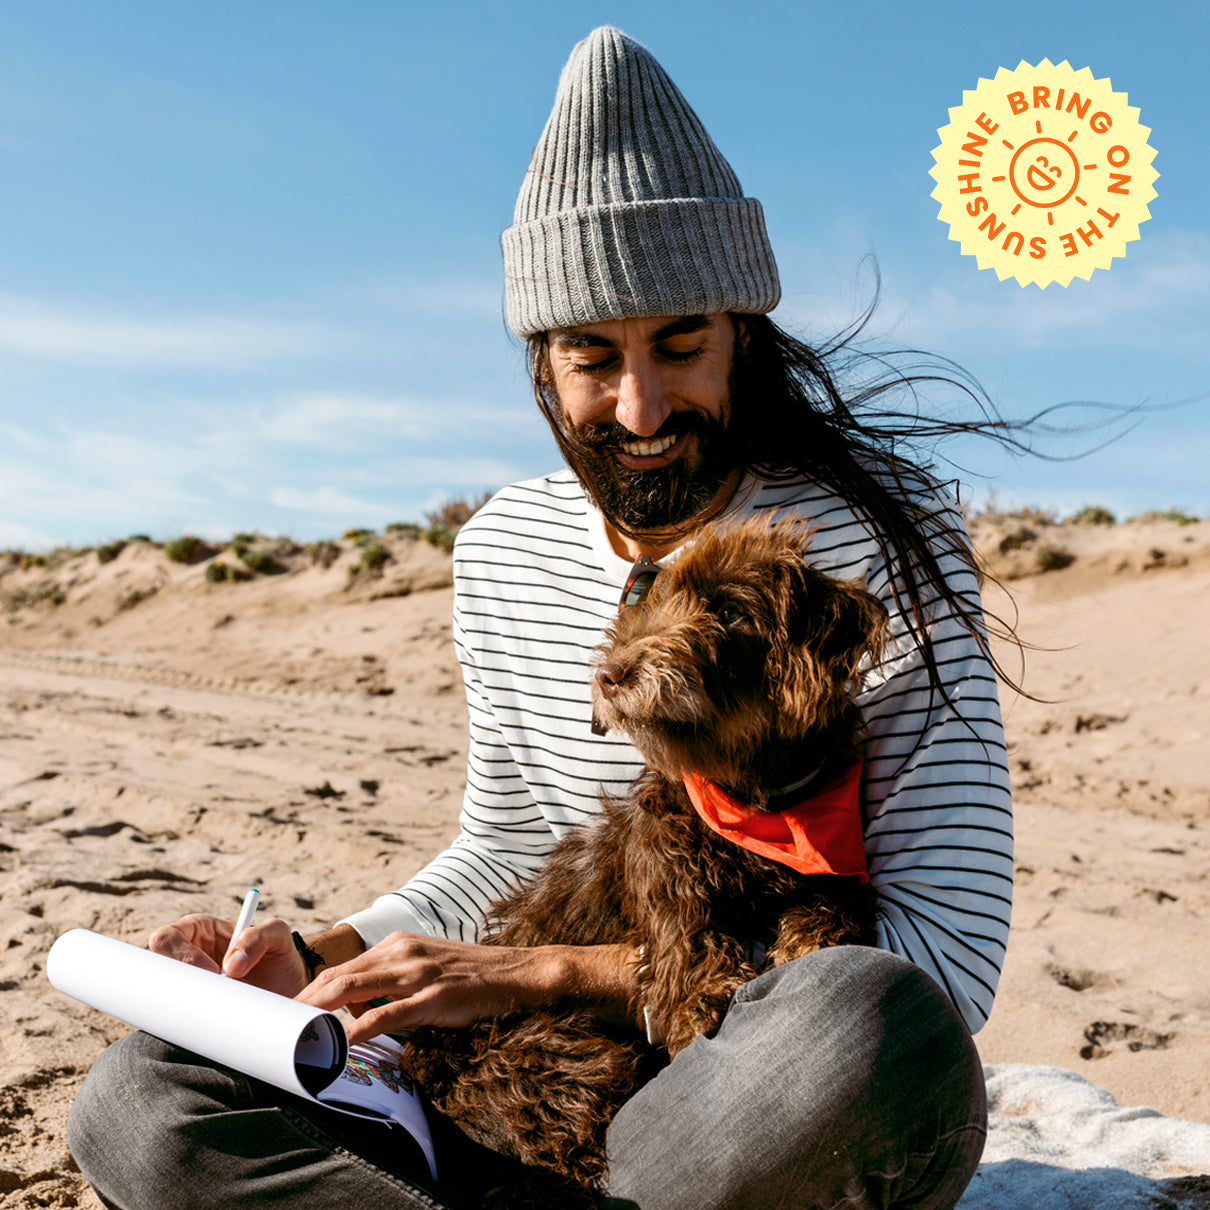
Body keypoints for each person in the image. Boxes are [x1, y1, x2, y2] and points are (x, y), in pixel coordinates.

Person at [68, 26, 1009, 1210]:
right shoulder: (503, 546)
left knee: (857, 1030)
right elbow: (507, 848)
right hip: (537, 1092)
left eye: (680, 344)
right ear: (539, 365)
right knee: (142, 1100)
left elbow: (947, 958)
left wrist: (536, 970)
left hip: (731, 1087)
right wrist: (318, 959)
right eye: (591, 357)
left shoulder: (876, 539)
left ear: (742, 338)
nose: (643, 404)